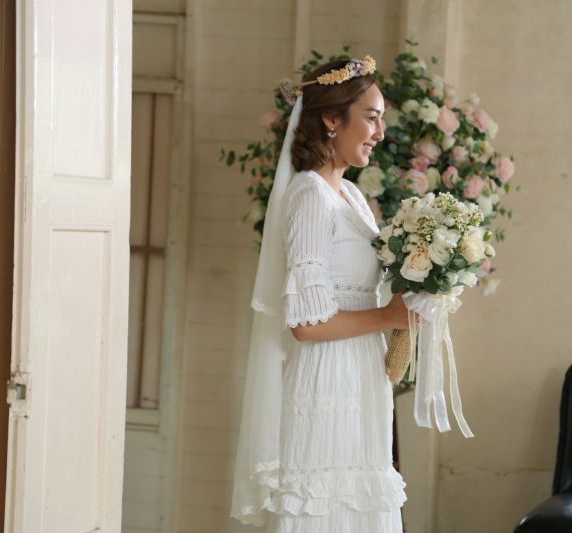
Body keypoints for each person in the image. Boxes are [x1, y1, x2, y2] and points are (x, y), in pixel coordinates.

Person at [230, 55, 413, 532]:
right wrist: (389, 317)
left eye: (381, 120)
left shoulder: (351, 196)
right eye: (371, 118)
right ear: (332, 119)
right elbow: (306, 325)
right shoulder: (310, 195)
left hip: (363, 376)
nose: (380, 133)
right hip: (327, 381)